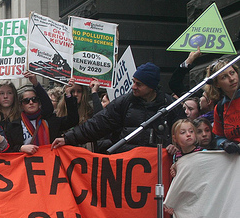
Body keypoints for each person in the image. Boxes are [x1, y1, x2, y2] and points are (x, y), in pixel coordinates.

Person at [5, 74, 79, 218]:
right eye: (26, 100)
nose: (30, 103)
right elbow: (6, 150)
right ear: (20, 104)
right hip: (23, 184)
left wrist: (68, 94)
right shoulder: (13, 125)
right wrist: (20, 148)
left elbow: (73, 119)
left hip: (49, 183)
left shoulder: (51, 121)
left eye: (34, 99)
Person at [52, 62, 186, 153]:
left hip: (158, 168)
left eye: (139, 84)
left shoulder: (170, 106)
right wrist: (68, 138)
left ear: (151, 87)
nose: (133, 86)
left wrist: (176, 146)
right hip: (127, 163)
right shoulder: (124, 102)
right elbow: (98, 124)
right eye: (133, 82)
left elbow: (185, 132)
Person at [206, 59, 240, 152]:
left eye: (232, 73)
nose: (231, 78)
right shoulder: (220, 108)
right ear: (217, 84)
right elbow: (218, 137)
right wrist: (224, 143)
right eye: (224, 77)